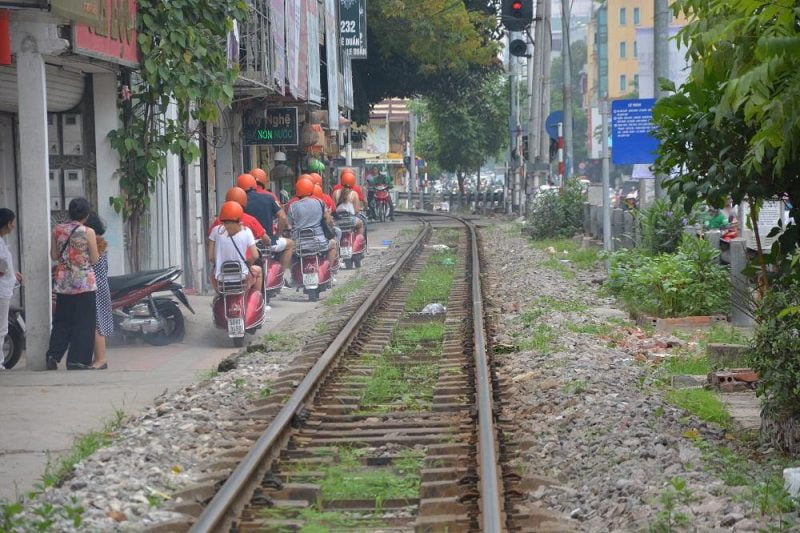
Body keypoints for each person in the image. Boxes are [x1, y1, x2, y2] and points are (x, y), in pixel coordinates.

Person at [46, 198, 99, 370]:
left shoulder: (57, 229)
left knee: (62, 320)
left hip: (63, 283)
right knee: (84, 322)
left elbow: (54, 256)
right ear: (87, 214)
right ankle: (77, 360)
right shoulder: (88, 231)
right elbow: (95, 258)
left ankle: (53, 355)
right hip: (84, 283)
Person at [237, 174, 293, 270]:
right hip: (265, 243)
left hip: (243, 246)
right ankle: (281, 274)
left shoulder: (237, 202)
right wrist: (277, 235)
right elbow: (283, 216)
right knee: (291, 244)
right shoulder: (268, 198)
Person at [208, 201, 262, 291]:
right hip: (242, 277)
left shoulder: (215, 231)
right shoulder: (246, 231)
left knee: (212, 274)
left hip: (221, 278)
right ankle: (257, 297)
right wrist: (248, 263)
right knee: (259, 270)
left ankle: (222, 296)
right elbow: (255, 255)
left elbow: (211, 257)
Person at [287, 177, 338, 267]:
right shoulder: (320, 202)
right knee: (333, 244)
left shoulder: (292, 206)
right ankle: (329, 269)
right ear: (311, 189)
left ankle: (293, 273)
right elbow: (327, 219)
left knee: (289, 251)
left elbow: (289, 225)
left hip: (299, 244)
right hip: (319, 243)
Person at [84, 212, 111, 370]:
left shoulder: (94, 243)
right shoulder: (100, 242)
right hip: (100, 286)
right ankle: (98, 358)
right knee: (96, 322)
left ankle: (101, 359)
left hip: (96, 287)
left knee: (96, 323)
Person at [0, 209, 22, 370]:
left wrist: (13, 274)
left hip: (4, 289)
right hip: (1, 292)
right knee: (1, 328)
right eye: (12, 222)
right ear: (7, 223)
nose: (14, 226)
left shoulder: (2, 241)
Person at [332, 172, 365, 237]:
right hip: (350, 221)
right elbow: (356, 211)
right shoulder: (354, 194)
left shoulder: (335, 193)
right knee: (361, 224)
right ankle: (359, 242)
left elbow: (333, 209)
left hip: (337, 222)